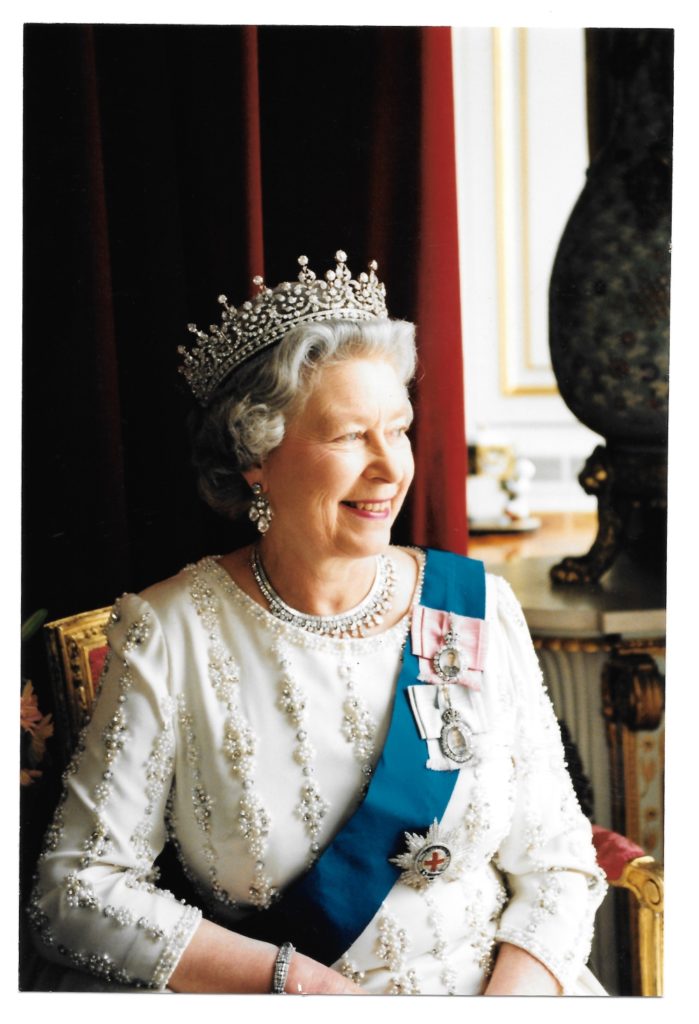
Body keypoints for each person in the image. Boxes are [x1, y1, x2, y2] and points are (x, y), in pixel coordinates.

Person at [28, 251, 607, 995]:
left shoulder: (475, 605)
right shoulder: (171, 632)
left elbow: (558, 861)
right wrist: (300, 987)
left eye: (396, 430)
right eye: (347, 436)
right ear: (256, 457)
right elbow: (76, 892)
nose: (389, 468)